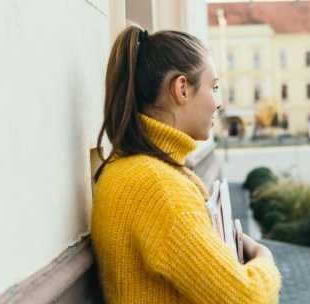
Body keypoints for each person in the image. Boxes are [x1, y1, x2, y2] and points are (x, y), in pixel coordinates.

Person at [91, 25, 281, 304]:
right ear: (181, 88)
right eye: (214, 87)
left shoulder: (133, 169)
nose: (218, 103)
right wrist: (265, 259)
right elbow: (248, 298)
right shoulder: (158, 187)